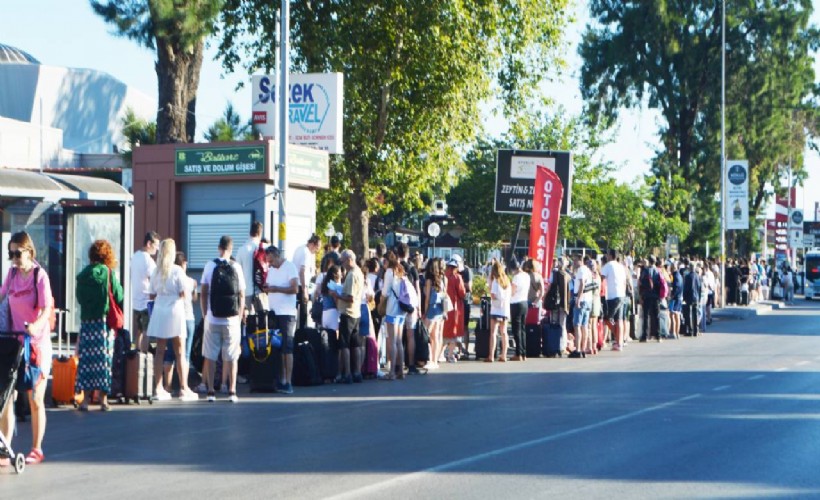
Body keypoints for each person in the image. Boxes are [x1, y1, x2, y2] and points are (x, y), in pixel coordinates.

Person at [0, 231, 54, 465]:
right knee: (7, 397)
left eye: (17, 253)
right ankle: (5, 447)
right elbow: (1, 297)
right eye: (10, 253)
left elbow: (46, 308)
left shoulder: (39, 276)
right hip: (14, 342)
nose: (13, 257)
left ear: (29, 252)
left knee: (35, 398)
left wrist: (35, 326)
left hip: (36, 345)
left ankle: (37, 448)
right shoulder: (11, 275)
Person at [146, 239, 198, 402]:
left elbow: (151, 294)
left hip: (160, 309)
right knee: (180, 351)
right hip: (175, 309)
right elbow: (185, 292)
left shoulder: (156, 271)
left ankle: (158, 388)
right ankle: (184, 388)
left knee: (160, 350)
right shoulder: (176, 270)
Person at [74, 239, 122, 414]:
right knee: (104, 361)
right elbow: (119, 294)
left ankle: (85, 400)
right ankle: (103, 400)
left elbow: (79, 298)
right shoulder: (108, 273)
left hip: (87, 323)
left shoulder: (83, 275)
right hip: (103, 324)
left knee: (86, 361)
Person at [200, 236, 245, 403]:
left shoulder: (210, 265)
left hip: (213, 318)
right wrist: (239, 316)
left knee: (211, 355)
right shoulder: (236, 267)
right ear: (231, 249)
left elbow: (204, 292)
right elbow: (241, 294)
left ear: (219, 247)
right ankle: (232, 391)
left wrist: (206, 314)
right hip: (232, 320)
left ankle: (211, 391)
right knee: (232, 355)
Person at [263, 246, 299, 394]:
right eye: (268, 262)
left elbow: (295, 288)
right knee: (277, 347)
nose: (270, 264)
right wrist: (267, 288)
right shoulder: (271, 270)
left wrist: (275, 289)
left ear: (277, 256)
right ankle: (280, 378)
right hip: (274, 312)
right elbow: (270, 286)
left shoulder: (289, 267)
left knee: (287, 347)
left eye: (271, 261)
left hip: (287, 313)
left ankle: (288, 381)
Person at [162, 252, 198, 392]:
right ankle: (184, 386)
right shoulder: (190, 281)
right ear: (183, 264)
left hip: (173, 318)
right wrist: (194, 289)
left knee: (170, 353)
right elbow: (193, 299)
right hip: (188, 318)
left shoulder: (168, 279)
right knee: (185, 353)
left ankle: (168, 385)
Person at [330, 250, 364, 383]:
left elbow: (350, 297)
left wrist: (336, 295)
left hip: (348, 312)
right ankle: (357, 372)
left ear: (349, 259)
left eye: (343, 261)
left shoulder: (351, 275)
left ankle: (348, 373)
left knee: (345, 345)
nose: (342, 264)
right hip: (356, 312)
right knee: (356, 344)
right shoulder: (359, 272)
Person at [379, 252, 407, 379]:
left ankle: (392, 372)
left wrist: (380, 303)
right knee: (399, 341)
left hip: (392, 308)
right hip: (402, 309)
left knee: (392, 340)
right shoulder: (400, 270)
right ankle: (400, 370)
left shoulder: (389, 272)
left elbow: (385, 292)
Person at [131, 231, 159, 353]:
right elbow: (155, 278)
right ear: (149, 243)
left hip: (134, 300)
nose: (157, 249)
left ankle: (137, 353)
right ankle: (144, 355)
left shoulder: (134, 256)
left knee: (139, 330)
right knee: (147, 330)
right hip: (146, 300)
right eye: (156, 245)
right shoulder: (148, 260)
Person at [396, 243, 421, 373]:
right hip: (411, 305)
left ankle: (397, 364)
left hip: (398, 305)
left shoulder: (395, 268)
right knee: (410, 335)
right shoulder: (412, 268)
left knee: (398, 335)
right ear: (407, 253)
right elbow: (417, 289)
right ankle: (411, 364)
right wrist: (419, 307)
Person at [236, 221, 267, 315]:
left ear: (250, 233)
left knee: (248, 324)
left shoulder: (241, 250)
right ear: (260, 233)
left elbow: (237, 272)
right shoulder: (264, 248)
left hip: (246, 292)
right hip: (262, 292)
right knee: (263, 324)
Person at [600, 249, 628, 351]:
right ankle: (619, 342)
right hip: (621, 294)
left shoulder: (608, 265)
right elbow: (625, 282)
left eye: (607, 254)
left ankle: (617, 338)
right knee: (619, 319)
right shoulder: (621, 267)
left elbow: (601, 278)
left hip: (612, 295)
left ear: (610, 255)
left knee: (607, 318)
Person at [292, 234, 321, 329]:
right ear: (312, 244)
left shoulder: (299, 249)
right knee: (303, 313)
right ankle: (302, 334)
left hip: (295, 284)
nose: (317, 251)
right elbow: (302, 272)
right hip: (301, 285)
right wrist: (305, 290)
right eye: (317, 248)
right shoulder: (306, 253)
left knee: (296, 311)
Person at [422, 258, 446, 369]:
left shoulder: (428, 281)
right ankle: (435, 360)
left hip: (431, 309)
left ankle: (429, 358)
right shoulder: (442, 279)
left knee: (425, 335)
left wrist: (425, 312)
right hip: (439, 309)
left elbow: (427, 298)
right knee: (435, 336)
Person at [442, 258, 466, 363]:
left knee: (443, 332)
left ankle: (440, 354)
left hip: (444, 306)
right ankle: (450, 355)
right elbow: (462, 293)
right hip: (455, 308)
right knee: (454, 332)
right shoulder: (457, 277)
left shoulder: (443, 277)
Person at [487, 260, 511, 362]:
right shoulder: (507, 281)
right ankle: (504, 355)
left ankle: (491, 356)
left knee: (493, 333)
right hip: (505, 309)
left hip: (496, 309)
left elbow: (492, 295)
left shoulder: (495, 281)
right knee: (504, 332)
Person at [508, 258, 530, 361]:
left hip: (516, 303)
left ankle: (518, 353)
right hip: (524, 302)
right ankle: (524, 352)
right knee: (523, 329)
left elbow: (512, 292)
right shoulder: (526, 276)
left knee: (516, 329)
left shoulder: (516, 278)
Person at [456, 255, 473, 359]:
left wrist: (459, 283)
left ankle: (465, 349)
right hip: (457, 301)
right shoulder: (455, 271)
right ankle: (459, 349)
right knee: (457, 326)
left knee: (465, 326)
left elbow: (469, 287)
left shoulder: (467, 271)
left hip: (465, 301)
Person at [682, 263, 701, 337]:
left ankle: (690, 330)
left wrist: (684, 297)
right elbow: (699, 287)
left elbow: (686, 288)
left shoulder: (687, 277)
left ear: (690, 268)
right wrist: (699, 297)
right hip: (696, 297)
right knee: (695, 313)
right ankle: (696, 330)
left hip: (689, 297)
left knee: (689, 314)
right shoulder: (697, 276)